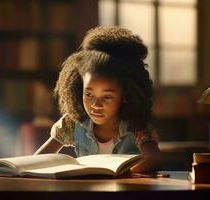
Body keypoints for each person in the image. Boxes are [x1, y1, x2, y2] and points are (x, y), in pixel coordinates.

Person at [34, 26, 162, 173]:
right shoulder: (72, 123)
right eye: (88, 95)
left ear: (126, 95)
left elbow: (154, 159)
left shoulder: (137, 125)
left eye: (107, 97)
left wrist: (119, 174)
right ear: (78, 89)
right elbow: (39, 159)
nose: (96, 105)